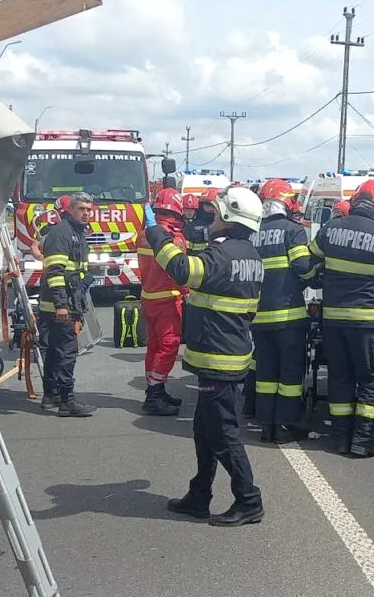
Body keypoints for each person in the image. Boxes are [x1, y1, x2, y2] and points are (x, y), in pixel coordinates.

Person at [149, 187, 266, 527]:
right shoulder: (248, 255)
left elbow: (182, 270)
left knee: (222, 433)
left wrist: (158, 234)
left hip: (218, 357)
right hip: (225, 354)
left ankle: (249, 500)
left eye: (215, 214)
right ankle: (199, 495)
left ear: (229, 218)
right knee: (203, 429)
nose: (210, 219)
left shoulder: (222, 255)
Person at [309, 180, 374, 457]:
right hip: (369, 324)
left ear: (355, 201)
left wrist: (324, 281)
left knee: (340, 378)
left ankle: (341, 438)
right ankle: (363, 442)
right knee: (371, 381)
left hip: (333, 321)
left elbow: (309, 262)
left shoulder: (331, 228)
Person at [250, 179, 316, 442]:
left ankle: (266, 425)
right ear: (287, 201)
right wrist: (315, 275)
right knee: (289, 374)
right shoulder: (293, 231)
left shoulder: (253, 231)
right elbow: (303, 267)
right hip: (288, 316)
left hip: (258, 317)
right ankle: (285, 424)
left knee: (266, 372)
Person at [38, 193, 99, 417]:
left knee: (55, 352)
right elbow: (55, 272)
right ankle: (67, 401)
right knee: (66, 353)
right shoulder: (62, 233)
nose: (86, 213)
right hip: (60, 306)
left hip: (65, 302)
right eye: (81, 209)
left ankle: (50, 395)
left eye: (89, 209)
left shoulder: (76, 233)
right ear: (70, 210)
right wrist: (61, 305)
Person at [137, 188, 188, 416]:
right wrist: (188, 293)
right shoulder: (174, 238)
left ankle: (154, 388)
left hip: (148, 297)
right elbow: (181, 272)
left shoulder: (145, 233)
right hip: (168, 299)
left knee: (154, 347)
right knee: (169, 346)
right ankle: (155, 394)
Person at [186, 188, 219, 256]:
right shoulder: (190, 227)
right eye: (207, 205)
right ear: (201, 206)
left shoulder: (224, 225)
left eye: (213, 206)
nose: (210, 209)